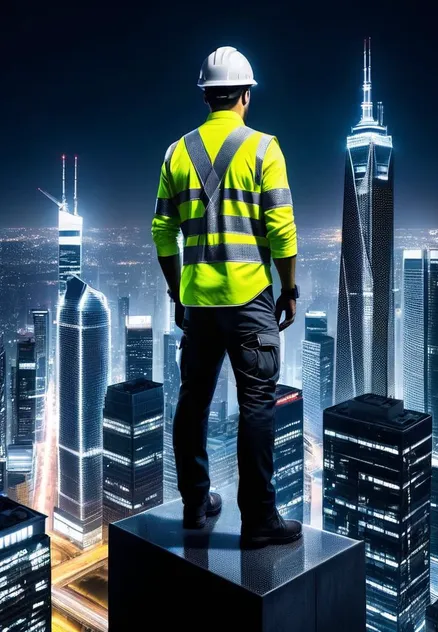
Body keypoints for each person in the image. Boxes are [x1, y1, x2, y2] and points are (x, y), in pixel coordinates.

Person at [152, 46, 301, 547]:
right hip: (250, 302)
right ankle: (258, 520)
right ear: (245, 95)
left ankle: (196, 505)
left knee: (192, 403)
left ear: (206, 96)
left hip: (198, 304)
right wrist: (289, 287)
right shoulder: (264, 149)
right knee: (257, 404)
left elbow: (161, 230)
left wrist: (178, 290)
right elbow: (282, 231)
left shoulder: (176, 152)